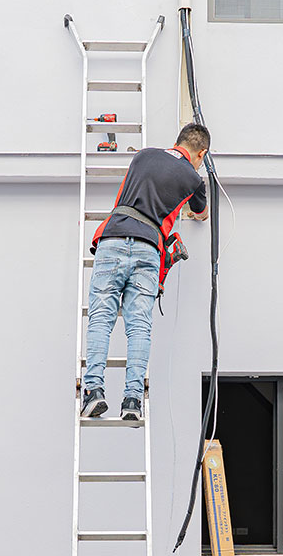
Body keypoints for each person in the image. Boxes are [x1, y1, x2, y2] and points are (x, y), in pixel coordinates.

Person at [80, 123, 210, 421]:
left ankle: (94, 392)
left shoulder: (143, 156)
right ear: (201, 153)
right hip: (149, 247)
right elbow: (201, 214)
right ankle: (133, 401)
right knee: (139, 326)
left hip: (113, 238)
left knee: (101, 318)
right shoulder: (193, 179)